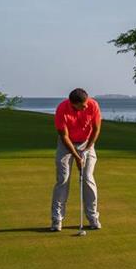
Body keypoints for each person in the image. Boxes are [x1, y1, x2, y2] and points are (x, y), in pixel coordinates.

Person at [50, 88, 102, 232]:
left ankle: (93, 217)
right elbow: (64, 136)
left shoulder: (93, 105)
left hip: (87, 143)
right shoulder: (62, 109)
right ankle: (57, 219)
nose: (86, 106)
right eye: (82, 105)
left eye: (86, 103)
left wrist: (86, 150)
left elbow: (96, 129)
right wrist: (77, 156)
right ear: (73, 104)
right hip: (66, 144)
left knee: (87, 178)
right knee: (63, 179)